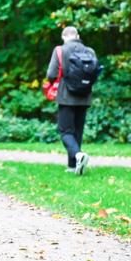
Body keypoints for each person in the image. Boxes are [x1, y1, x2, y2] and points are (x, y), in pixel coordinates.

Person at [46, 26, 98, 175]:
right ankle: (73, 165)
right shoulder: (90, 51)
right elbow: (95, 73)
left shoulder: (60, 50)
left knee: (65, 131)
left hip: (66, 96)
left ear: (64, 37)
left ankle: (78, 155)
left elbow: (51, 73)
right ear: (78, 36)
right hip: (85, 96)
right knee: (77, 131)